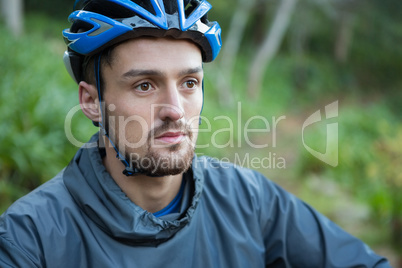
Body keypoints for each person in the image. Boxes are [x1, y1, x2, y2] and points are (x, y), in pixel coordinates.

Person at [0, 0, 391, 267]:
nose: (174, 110)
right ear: (91, 101)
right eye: (144, 86)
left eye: (189, 82)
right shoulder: (29, 239)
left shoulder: (248, 199)